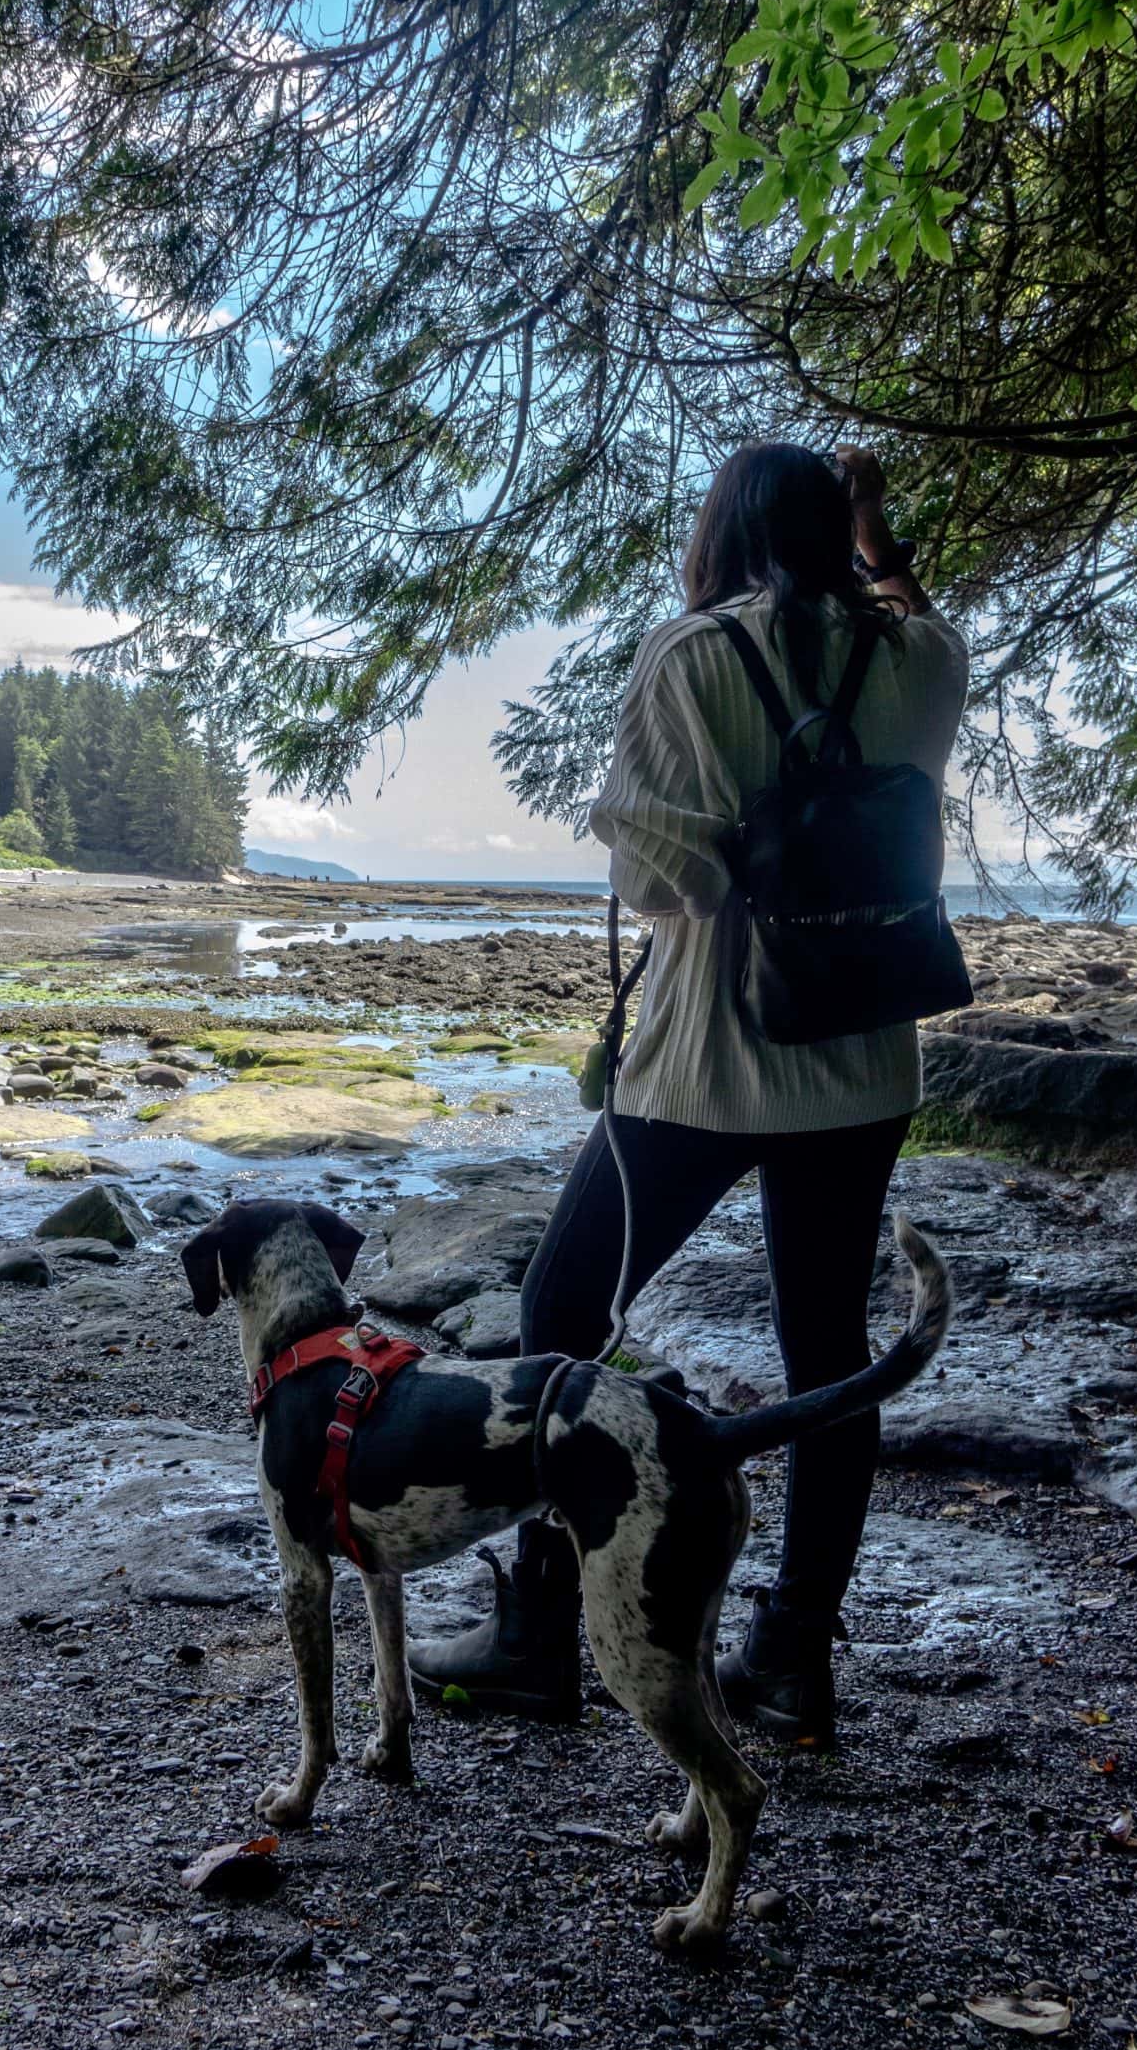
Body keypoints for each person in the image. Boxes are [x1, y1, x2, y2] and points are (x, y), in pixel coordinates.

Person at [408, 442, 968, 1742]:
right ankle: (792, 1659)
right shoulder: (920, 660)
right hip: (862, 1054)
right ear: (843, 535)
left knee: (561, 1309)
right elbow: (912, 613)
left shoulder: (696, 655)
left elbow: (662, 887)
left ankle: (545, 1625)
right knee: (826, 1351)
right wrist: (878, 536)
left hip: (709, 1057)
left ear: (721, 536)